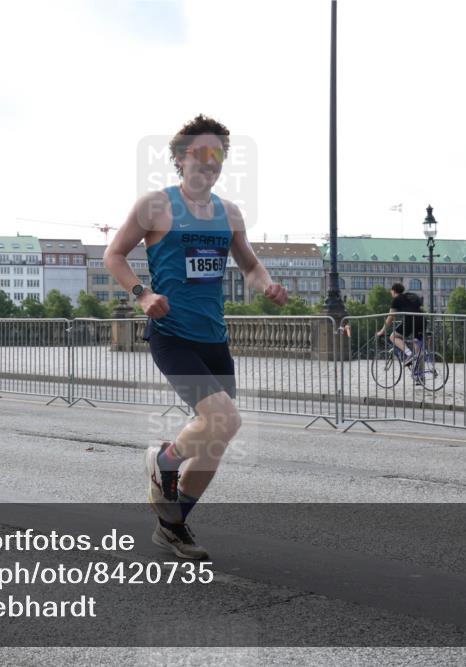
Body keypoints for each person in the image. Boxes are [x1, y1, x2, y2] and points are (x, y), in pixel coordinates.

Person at [105, 114, 288, 560]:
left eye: (218, 155)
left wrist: (265, 284)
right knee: (226, 420)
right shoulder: (156, 206)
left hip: (213, 337)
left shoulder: (230, 213)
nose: (210, 163)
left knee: (216, 437)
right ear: (180, 157)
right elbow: (114, 255)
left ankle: (172, 524)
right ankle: (165, 460)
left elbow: (249, 263)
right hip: (172, 334)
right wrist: (142, 294)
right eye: (201, 153)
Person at [376, 282, 425, 371]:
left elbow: (390, 316)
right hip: (422, 320)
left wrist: (382, 331)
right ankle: (420, 376)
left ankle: (408, 354)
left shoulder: (396, 299)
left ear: (394, 291)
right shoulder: (412, 295)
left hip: (411, 321)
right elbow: (419, 308)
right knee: (418, 350)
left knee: (393, 336)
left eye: (391, 292)